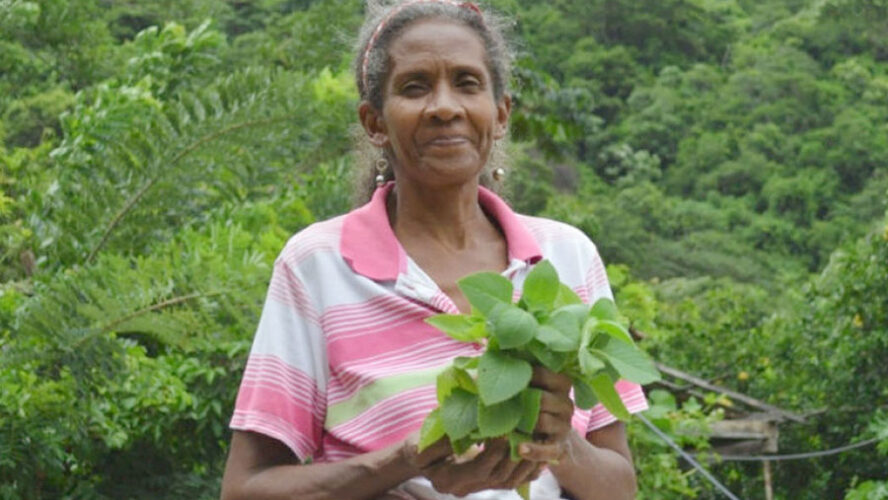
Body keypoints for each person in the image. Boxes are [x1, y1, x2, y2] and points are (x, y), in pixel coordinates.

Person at [219, 1, 648, 499]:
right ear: (374, 122)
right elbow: (246, 490)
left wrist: (558, 441)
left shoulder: (565, 256)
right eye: (415, 86)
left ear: (501, 113)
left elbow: (620, 487)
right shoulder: (318, 265)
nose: (445, 106)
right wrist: (406, 460)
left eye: (467, 83)